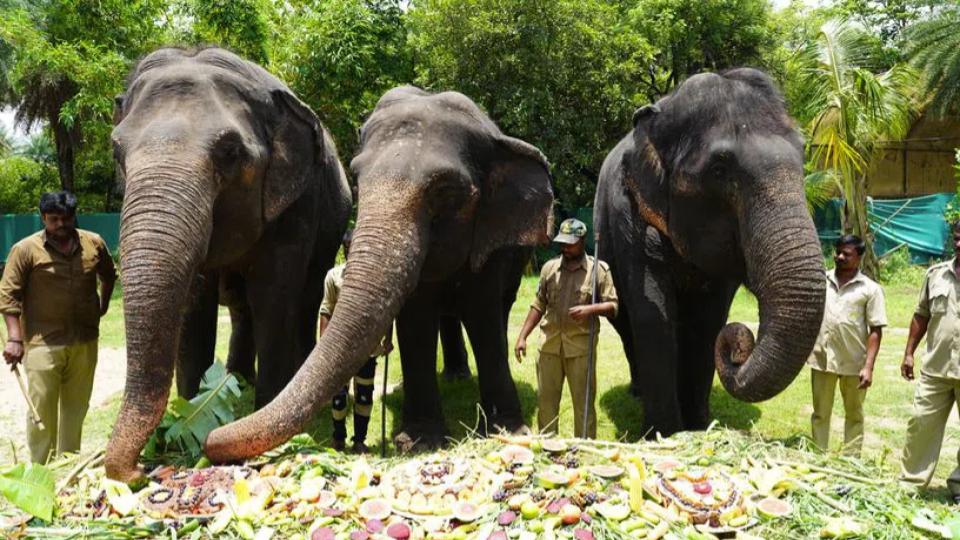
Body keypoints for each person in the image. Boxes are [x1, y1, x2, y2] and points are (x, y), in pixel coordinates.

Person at [0, 191, 117, 463]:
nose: (61, 225)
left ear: (74, 216)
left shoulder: (94, 243)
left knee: (76, 409)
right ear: (43, 218)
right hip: (42, 344)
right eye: (54, 219)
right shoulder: (25, 250)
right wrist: (15, 339)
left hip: (84, 341)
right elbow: (8, 295)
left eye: (66, 218)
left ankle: (68, 466)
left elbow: (109, 276)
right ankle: (41, 469)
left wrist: (104, 305)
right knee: (42, 410)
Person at [514, 218, 617, 438]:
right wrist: (522, 336)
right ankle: (549, 448)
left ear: (582, 241)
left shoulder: (598, 270)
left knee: (583, 404)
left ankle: (584, 448)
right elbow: (539, 304)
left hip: (580, 349)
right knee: (546, 404)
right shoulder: (549, 269)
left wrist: (590, 310)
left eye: (571, 243)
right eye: (563, 243)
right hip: (549, 346)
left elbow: (613, 306)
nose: (565, 248)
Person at [808, 234, 886, 457]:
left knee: (854, 413)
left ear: (859, 257)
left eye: (847, 254)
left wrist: (868, 367)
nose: (840, 257)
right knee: (820, 412)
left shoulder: (870, 289)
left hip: (854, 361)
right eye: (837, 252)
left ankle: (851, 459)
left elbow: (876, 330)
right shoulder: (821, 280)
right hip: (823, 358)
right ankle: (817, 455)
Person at [900, 221, 960, 501]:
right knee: (921, 424)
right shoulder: (936, 274)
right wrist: (909, 352)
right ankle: (911, 483)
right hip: (936, 369)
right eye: (957, 238)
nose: (959, 244)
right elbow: (921, 315)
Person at [319, 230, 392, 453]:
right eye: (350, 247)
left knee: (364, 395)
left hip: (367, 349)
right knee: (339, 396)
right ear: (345, 250)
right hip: (341, 349)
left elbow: (385, 310)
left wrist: (388, 340)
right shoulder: (334, 276)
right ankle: (338, 437)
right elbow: (326, 310)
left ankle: (359, 440)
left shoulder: (374, 277)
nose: (354, 251)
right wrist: (324, 344)